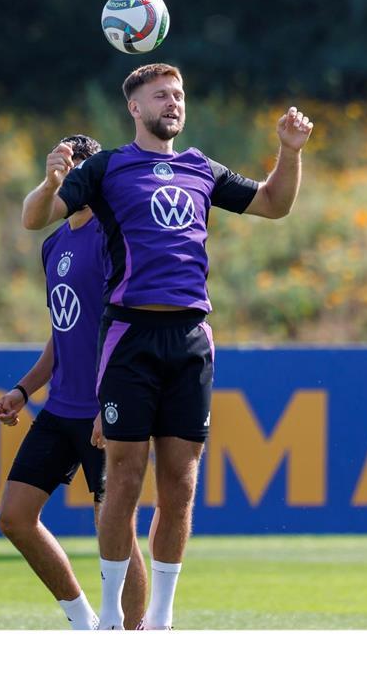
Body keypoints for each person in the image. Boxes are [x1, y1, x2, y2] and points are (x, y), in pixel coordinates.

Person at [21, 63, 314, 630]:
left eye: (178, 94)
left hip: (190, 339)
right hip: (130, 335)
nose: (173, 102)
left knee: (181, 482)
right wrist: (51, 181)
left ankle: (160, 620)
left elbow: (274, 204)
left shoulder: (201, 167)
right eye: (161, 95)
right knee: (124, 477)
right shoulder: (107, 168)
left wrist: (290, 150)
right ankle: (109, 618)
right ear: (135, 108)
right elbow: (37, 219)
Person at [0, 135, 148, 631]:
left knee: (115, 529)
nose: (62, 169)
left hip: (107, 408)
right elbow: (63, 332)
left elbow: (123, 327)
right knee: (15, 517)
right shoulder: (54, 244)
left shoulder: (111, 237)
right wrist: (24, 389)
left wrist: (113, 400)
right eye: (56, 160)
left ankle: (136, 636)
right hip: (61, 409)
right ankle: (83, 623)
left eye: (71, 162)